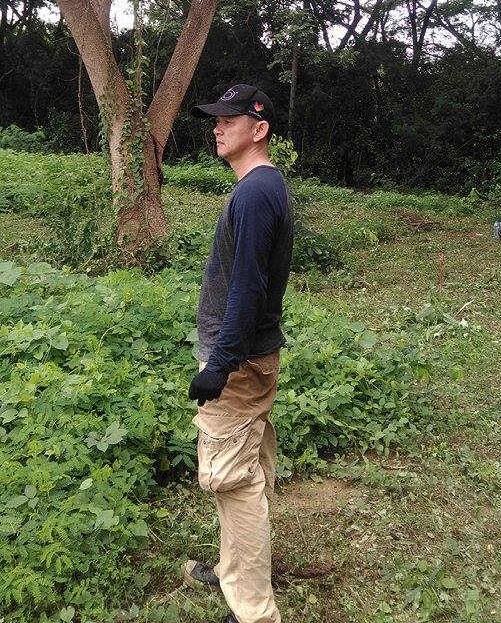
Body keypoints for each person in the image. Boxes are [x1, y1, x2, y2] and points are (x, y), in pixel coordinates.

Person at [182, 83, 294, 623]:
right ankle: (235, 571)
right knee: (243, 474)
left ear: (259, 129)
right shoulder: (264, 187)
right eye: (216, 119)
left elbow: (248, 289)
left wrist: (221, 366)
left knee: (233, 480)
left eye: (229, 120)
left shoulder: (254, 193)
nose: (217, 127)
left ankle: (252, 613)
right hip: (251, 357)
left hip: (240, 366)